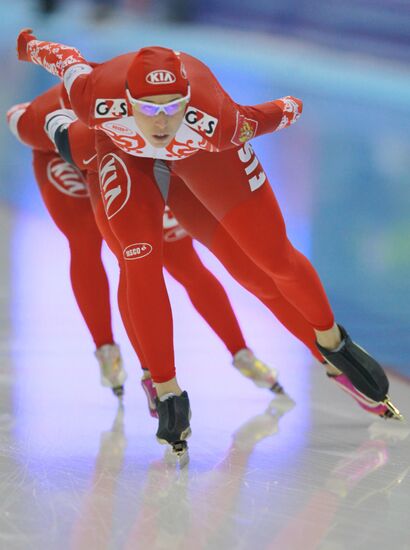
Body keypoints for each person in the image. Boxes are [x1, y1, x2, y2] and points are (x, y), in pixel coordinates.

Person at [16, 29, 402, 454]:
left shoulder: (218, 121)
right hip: (116, 154)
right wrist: (27, 44)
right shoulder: (88, 102)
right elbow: (59, 56)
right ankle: (164, 389)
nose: (161, 122)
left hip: (196, 152)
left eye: (172, 109)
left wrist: (292, 106)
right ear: (126, 101)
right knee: (136, 256)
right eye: (149, 108)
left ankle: (335, 349)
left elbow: (275, 113)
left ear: (186, 103)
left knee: (262, 263)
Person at [7, 82, 288, 419]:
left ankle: (241, 352)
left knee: (182, 262)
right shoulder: (45, 116)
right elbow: (16, 117)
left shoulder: (153, 116)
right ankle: (109, 351)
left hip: (124, 162)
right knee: (90, 244)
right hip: (65, 160)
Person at [6, 85, 127, 398]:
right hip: (57, 154)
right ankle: (105, 348)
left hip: (107, 152)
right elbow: (15, 116)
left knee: (137, 248)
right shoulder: (39, 118)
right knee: (84, 240)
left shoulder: (126, 96)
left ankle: (153, 364)